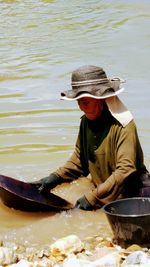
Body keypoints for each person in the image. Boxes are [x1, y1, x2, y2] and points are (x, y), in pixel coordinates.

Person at [34, 65, 150, 210]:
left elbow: (125, 169)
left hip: (134, 196)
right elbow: (79, 160)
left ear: (101, 99)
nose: (81, 108)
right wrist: (55, 177)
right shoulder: (86, 122)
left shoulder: (124, 125)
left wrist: (92, 197)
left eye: (85, 102)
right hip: (103, 192)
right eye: (78, 102)